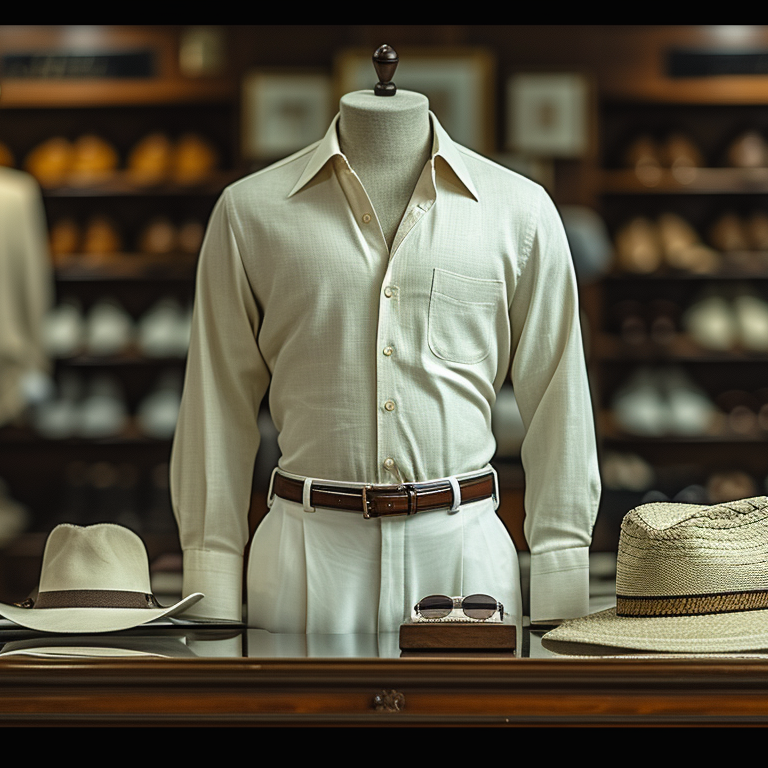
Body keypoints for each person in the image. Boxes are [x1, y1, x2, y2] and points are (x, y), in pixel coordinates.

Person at [169, 82, 601, 633]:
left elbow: (559, 404)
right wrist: (212, 587)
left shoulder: (519, 209)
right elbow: (216, 406)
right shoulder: (249, 210)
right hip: (306, 555)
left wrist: (561, 582)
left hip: (465, 554)